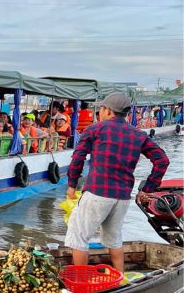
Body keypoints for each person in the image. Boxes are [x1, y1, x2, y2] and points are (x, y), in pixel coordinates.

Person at [65, 92, 170, 272]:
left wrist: (72, 186)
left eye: (101, 109)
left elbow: (78, 158)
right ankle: (120, 279)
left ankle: (80, 281)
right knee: (114, 238)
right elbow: (162, 161)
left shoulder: (96, 129)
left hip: (97, 192)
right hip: (122, 197)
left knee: (79, 237)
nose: (99, 112)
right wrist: (146, 189)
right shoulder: (138, 134)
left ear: (108, 110)